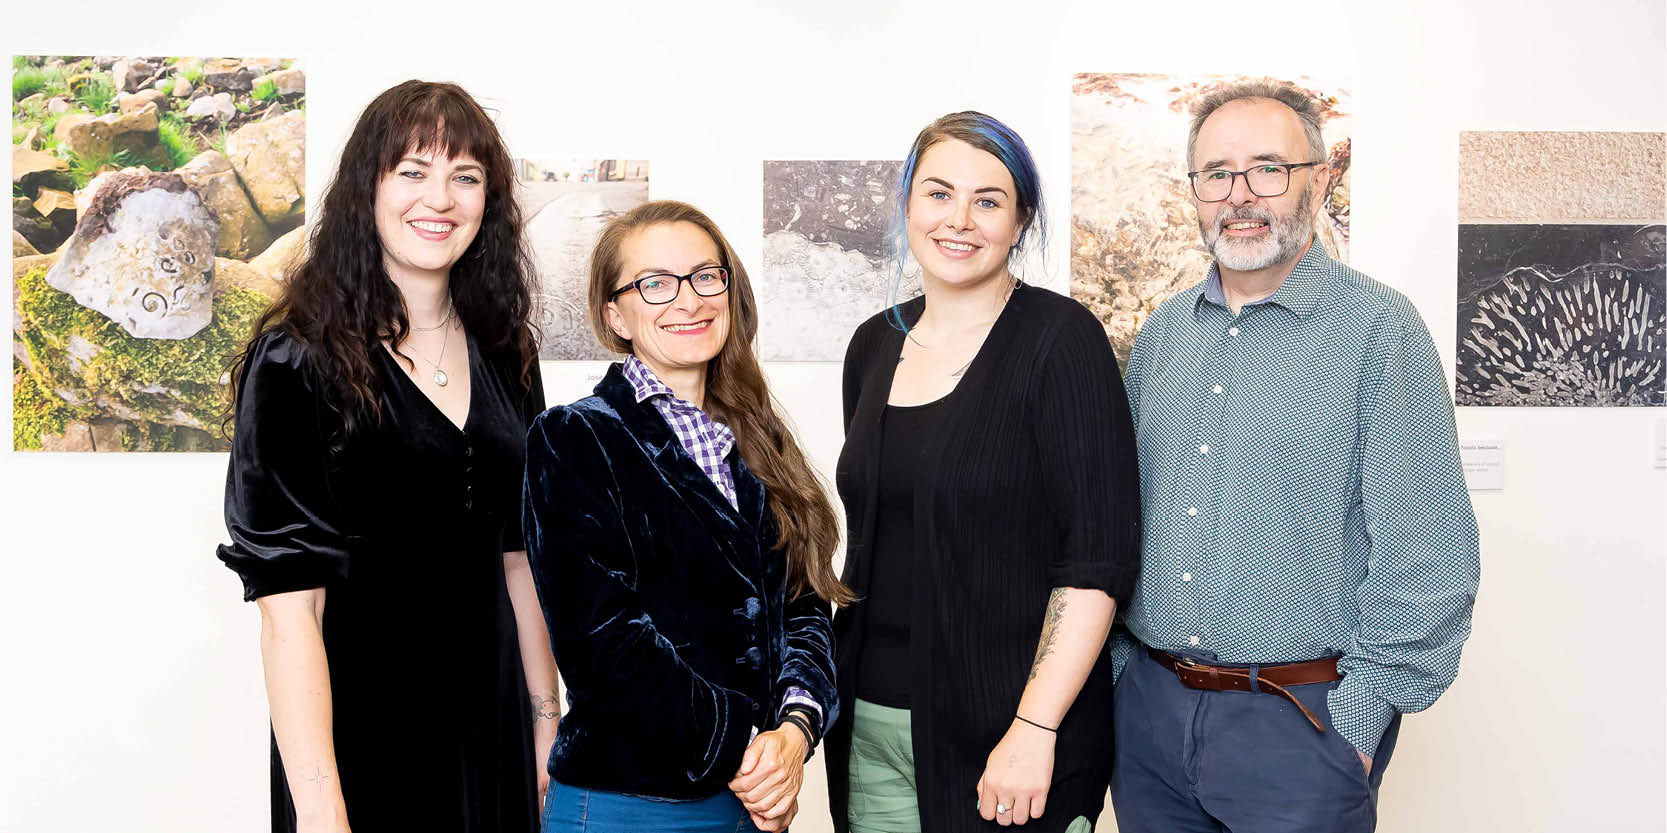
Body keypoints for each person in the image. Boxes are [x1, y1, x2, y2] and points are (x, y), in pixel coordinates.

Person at [1111, 81, 1481, 833]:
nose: (1240, 194)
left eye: (1267, 168)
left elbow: (1429, 550)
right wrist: (1122, 676)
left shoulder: (1379, 331)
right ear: (1194, 191)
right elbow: (1115, 521)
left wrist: (1360, 714)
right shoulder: (1161, 337)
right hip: (1148, 717)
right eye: (1216, 173)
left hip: (1299, 727)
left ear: (1316, 176)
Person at [217, 80, 556, 833]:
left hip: (492, 722)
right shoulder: (295, 360)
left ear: (487, 201)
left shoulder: (507, 353)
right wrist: (321, 809)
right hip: (359, 742)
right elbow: (289, 612)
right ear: (366, 188)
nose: (440, 198)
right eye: (412, 171)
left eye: (464, 177)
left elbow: (519, 559)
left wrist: (545, 721)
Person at [828, 111, 1141, 833]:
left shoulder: (1061, 341)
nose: (959, 219)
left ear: (1020, 219)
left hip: (1009, 733)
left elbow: (1097, 562)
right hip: (871, 724)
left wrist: (1035, 728)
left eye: (988, 200)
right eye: (937, 194)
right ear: (907, 203)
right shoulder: (873, 344)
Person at [523, 200, 846, 832]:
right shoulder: (575, 437)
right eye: (654, 284)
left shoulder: (760, 438)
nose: (688, 300)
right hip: (630, 807)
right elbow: (603, 645)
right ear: (615, 314)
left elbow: (805, 601)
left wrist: (793, 732)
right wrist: (745, 749)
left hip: (754, 801)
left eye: (705, 276)